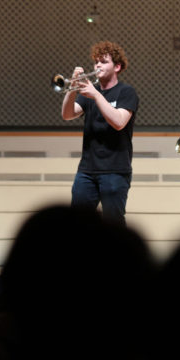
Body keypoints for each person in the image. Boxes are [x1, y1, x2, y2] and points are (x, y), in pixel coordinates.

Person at [61, 41, 139, 225]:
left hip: (115, 170)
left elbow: (119, 122)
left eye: (103, 62)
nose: (97, 66)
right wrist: (72, 87)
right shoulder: (90, 92)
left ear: (117, 67)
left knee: (114, 226)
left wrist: (96, 95)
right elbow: (67, 114)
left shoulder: (126, 92)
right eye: (96, 62)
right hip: (86, 171)